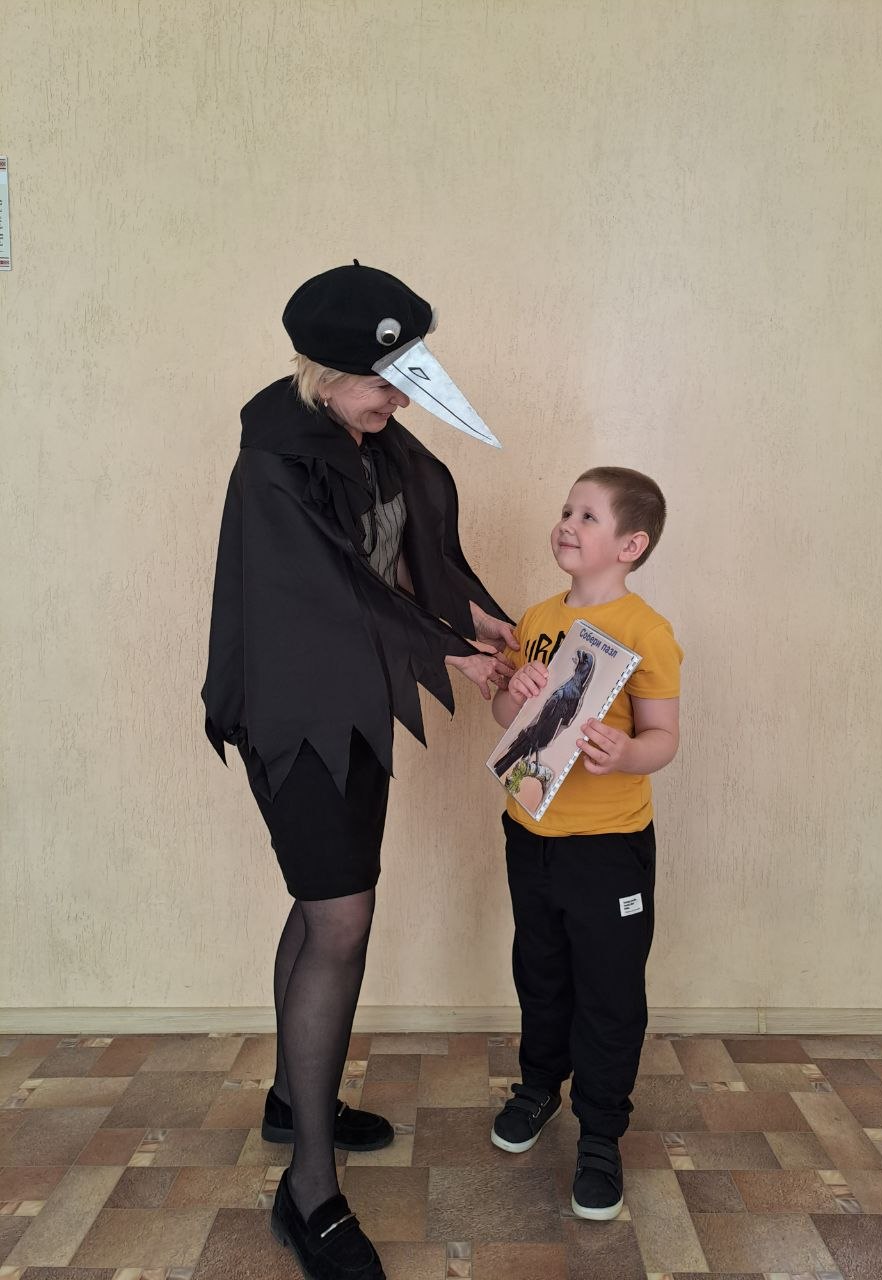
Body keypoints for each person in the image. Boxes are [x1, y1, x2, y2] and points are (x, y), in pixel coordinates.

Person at [202, 262, 516, 1280]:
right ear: (325, 375)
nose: (402, 400)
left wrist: (480, 619)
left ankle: (293, 1098)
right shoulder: (275, 466)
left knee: (321, 908)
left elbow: (412, 551)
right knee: (340, 920)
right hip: (294, 715)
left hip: (353, 710)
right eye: (386, 381)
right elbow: (333, 590)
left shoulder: (370, 442)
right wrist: (449, 653)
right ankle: (309, 1190)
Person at [488, 466, 682, 1221]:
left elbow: (663, 736)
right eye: (566, 510)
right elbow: (505, 713)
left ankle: (600, 1133)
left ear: (631, 545)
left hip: (608, 849)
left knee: (608, 989)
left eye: (589, 516)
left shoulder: (646, 631)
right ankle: (539, 1087)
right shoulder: (538, 617)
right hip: (529, 834)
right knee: (539, 970)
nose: (567, 522)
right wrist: (513, 693)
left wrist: (627, 753)